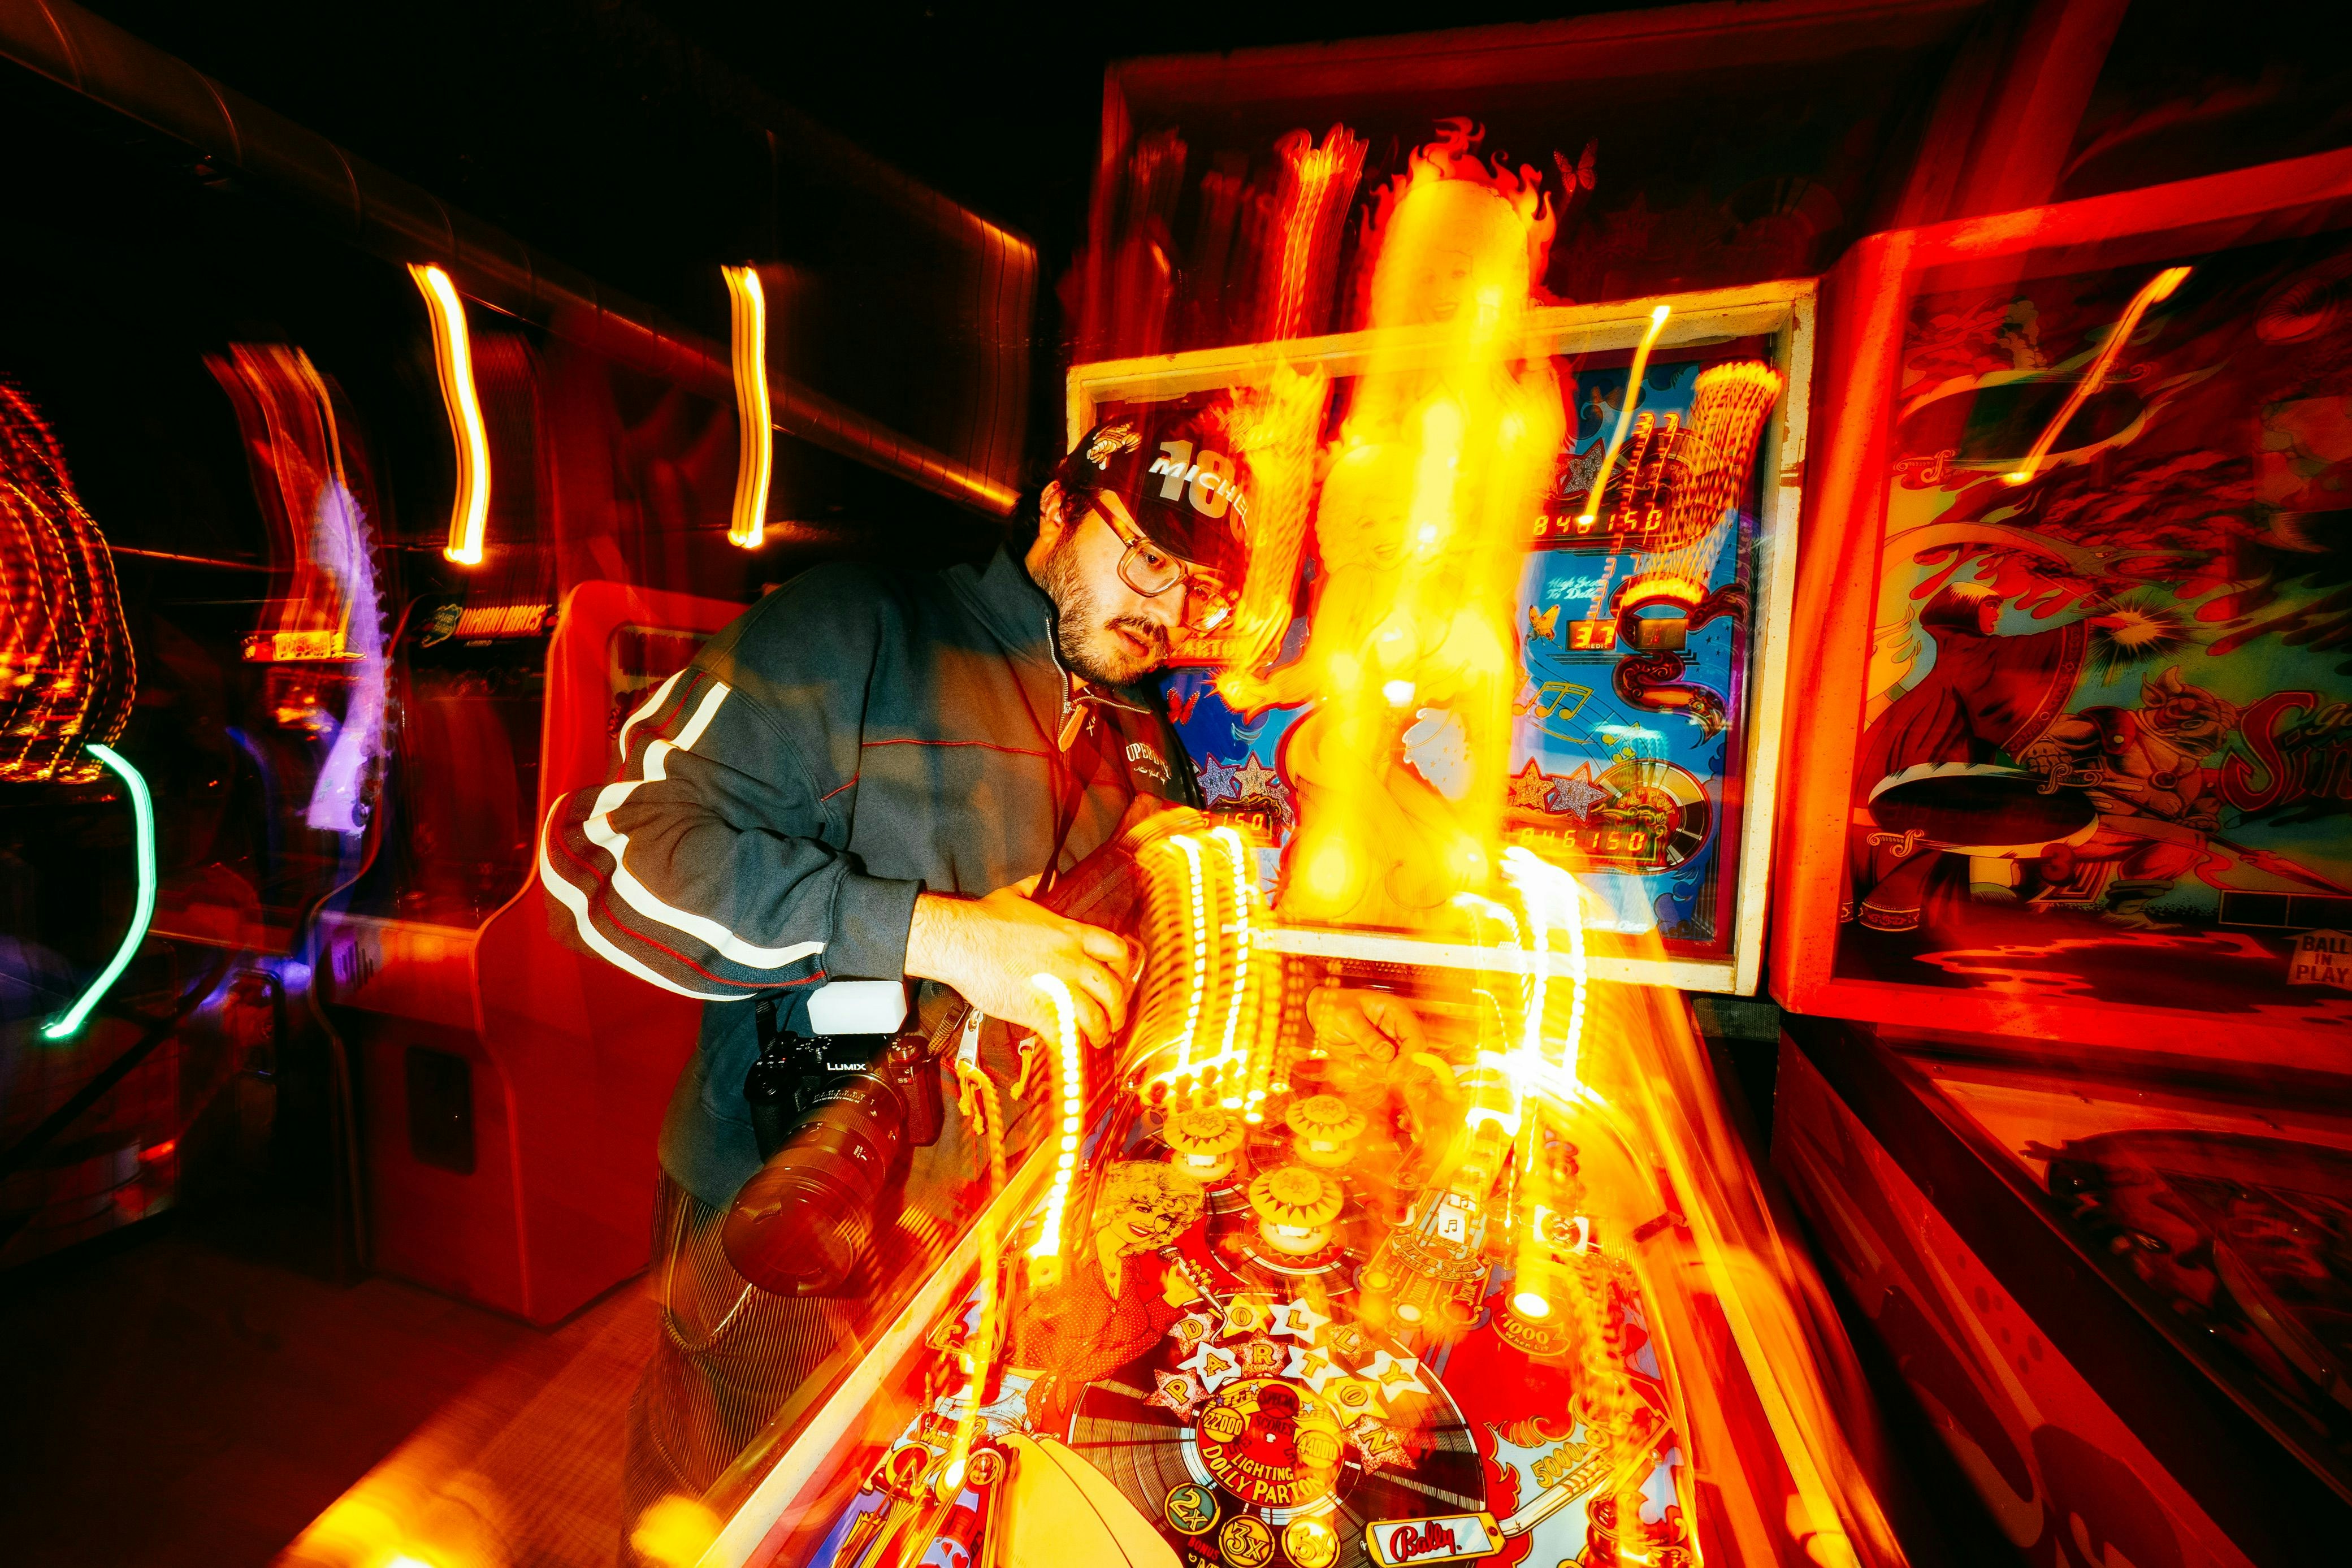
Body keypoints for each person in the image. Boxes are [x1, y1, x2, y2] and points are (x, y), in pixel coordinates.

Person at [538, 411, 1248, 1561]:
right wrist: (938, 934)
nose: (1167, 611)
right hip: (782, 1199)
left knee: (893, 1516)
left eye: (1199, 594)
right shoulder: (860, 627)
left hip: (971, 1230)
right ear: (1059, 509)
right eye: (1151, 559)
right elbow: (611, 853)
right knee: (727, 1519)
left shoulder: (1130, 723)